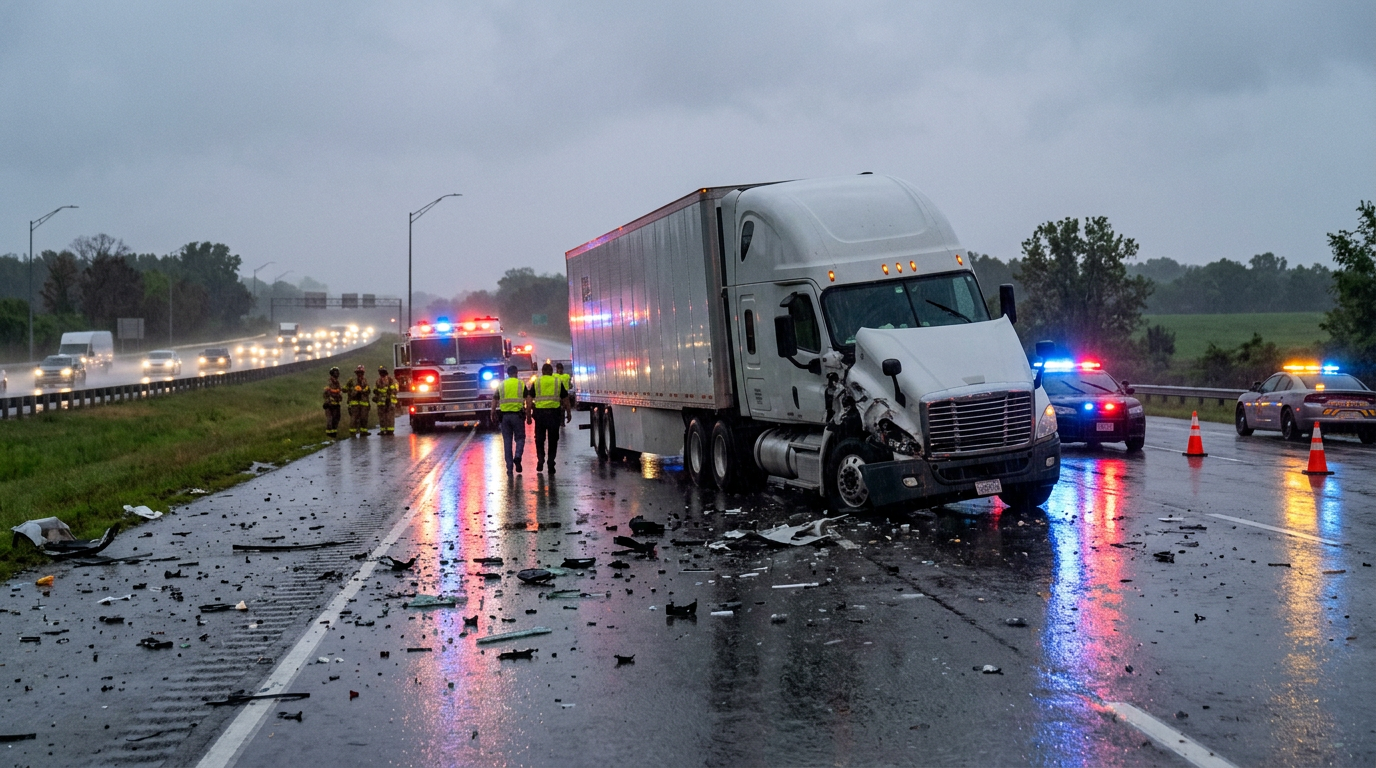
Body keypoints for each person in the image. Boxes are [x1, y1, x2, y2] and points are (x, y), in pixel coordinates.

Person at [491, 364, 531, 474]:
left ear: (507, 374)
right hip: (517, 416)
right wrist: (528, 415)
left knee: (507, 441)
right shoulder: (520, 384)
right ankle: (517, 456)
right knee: (520, 438)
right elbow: (528, 400)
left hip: (504, 417)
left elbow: (495, 399)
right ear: (516, 373)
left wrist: (492, 412)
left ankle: (509, 467)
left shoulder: (502, 385)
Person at [530, 362, 570, 472]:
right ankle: (551, 463)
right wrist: (568, 412)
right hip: (554, 414)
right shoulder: (557, 381)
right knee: (553, 440)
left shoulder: (537, 382)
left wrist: (528, 414)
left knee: (539, 439)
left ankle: (541, 459)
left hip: (540, 415)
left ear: (542, 372)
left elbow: (529, 398)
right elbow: (565, 398)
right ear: (552, 371)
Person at [373, 366, 399, 435]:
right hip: (381, 402)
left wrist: (389, 392)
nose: (382, 374)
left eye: (383, 372)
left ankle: (390, 430)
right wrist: (376, 393)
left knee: (390, 416)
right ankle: (383, 430)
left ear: (386, 372)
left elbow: (396, 389)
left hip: (390, 401)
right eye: (380, 372)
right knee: (381, 417)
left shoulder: (391, 380)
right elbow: (375, 390)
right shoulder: (378, 381)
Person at [347, 364, 371, 436]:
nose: (360, 374)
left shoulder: (365, 381)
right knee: (354, 418)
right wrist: (354, 392)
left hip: (364, 402)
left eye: (361, 373)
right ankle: (352, 432)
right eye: (358, 373)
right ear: (356, 373)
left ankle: (363, 432)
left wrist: (363, 391)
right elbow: (345, 389)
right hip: (355, 403)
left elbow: (368, 391)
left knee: (364, 418)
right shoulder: (352, 381)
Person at [322, 366, 343, 438]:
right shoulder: (329, 382)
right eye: (335, 373)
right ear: (332, 374)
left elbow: (339, 392)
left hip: (336, 404)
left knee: (336, 419)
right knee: (330, 420)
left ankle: (334, 433)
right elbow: (325, 393)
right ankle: (329, 435)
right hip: (330, 404)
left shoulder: (337, 383)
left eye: (337, 373)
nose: (337, 374)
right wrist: (327, 402)